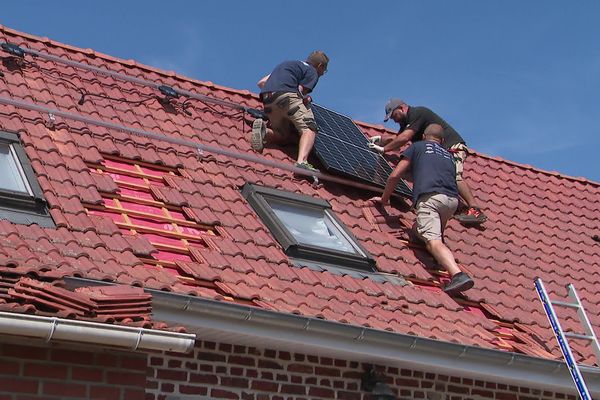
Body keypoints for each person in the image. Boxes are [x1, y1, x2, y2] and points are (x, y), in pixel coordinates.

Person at [371, 124, 475, 294]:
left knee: (434, 242)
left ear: (424, 136)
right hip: (451, 201)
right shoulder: (449, 156)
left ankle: (457, 274)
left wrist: (384, 199)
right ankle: (428, 242)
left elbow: (395, 175)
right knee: (422, 231)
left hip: (431, 199)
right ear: (441, 141)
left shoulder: (417, 147)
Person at [370, 99, 486, 225]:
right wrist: (381, 140)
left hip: (451, 147)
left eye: (394, 115)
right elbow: (398, 137)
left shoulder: (418, 113)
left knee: (454, 176)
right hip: (436, 152)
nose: (394, 120)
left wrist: (383, 149)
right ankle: (457, 205)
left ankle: (475, 210)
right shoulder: (407, 123)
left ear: (402, 108)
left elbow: (405, 137)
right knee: (412, 173)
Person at [250, 51, 329, 173]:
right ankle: (302, 162)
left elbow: (261, 83)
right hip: (287, 97)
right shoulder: (312, 71)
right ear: (320, 66)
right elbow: (300, 90)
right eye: (324, 70)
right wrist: (304, 99)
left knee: (282, 135)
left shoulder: (289, 65)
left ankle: (264, 131)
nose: (323, 74)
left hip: (268, 100)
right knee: (309, 127)